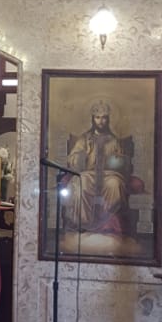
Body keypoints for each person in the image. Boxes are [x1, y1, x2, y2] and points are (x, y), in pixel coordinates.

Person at [63, 101, 133, 235]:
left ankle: (107, 223)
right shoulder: (84, 139)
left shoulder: (113, 140)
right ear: (93, 119)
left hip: (108, 174)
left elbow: (122, 161)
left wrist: (119, 160)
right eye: (98, 117)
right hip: (88, 174)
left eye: (104, 118)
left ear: (108, 119)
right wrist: (80, 157)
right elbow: (73, 157)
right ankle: (83, 223)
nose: (101, 121)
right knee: (81, 183)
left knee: (114, 184)